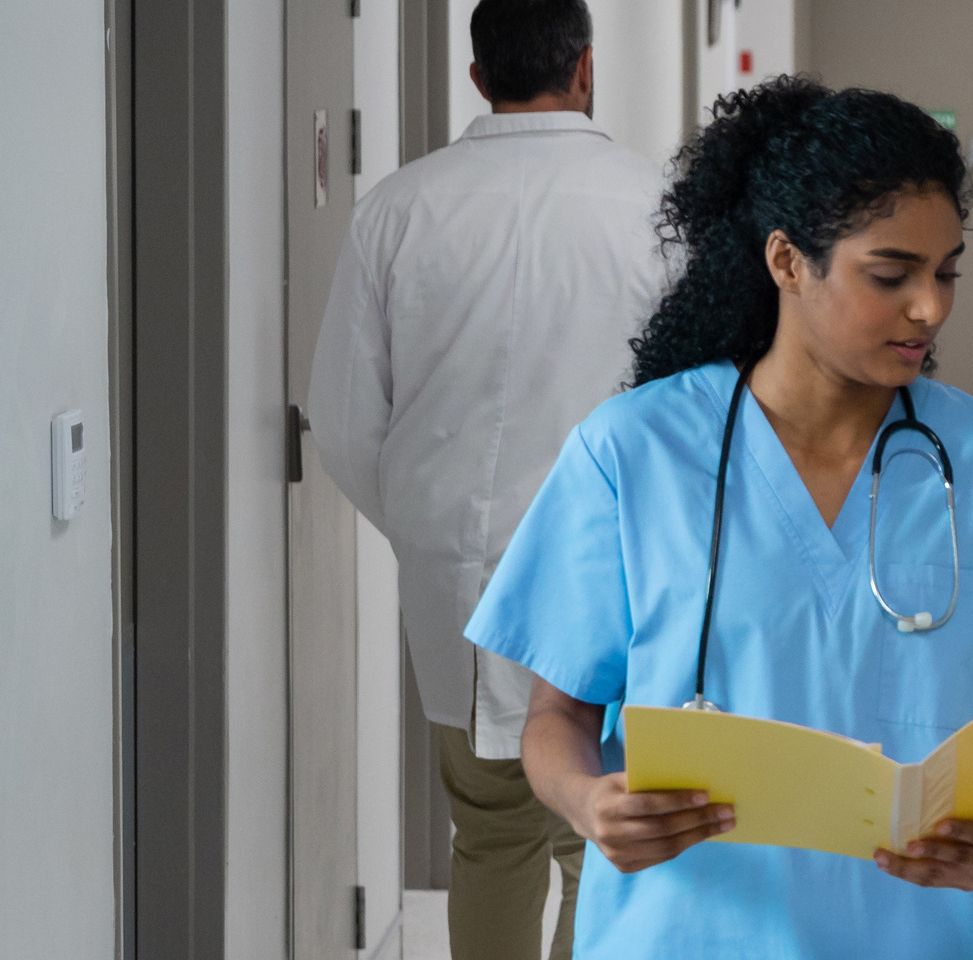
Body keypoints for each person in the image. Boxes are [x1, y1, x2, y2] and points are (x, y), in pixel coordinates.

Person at [463, 75, 973, 959]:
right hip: (687, 933)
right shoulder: (633, 455)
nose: (929, 307)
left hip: (927, 938)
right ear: (785, 262)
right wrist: (588, 802)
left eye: (945, 272)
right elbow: (557, 717)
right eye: (891, 274)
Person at [304, 2, 659, 957]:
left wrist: (430, 528)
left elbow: (339, 421)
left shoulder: (399, 208)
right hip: (620, 579)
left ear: (475, 77)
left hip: (466, 587)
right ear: (586, 67)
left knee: (492, 835)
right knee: (609, 834)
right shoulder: (655, 209)